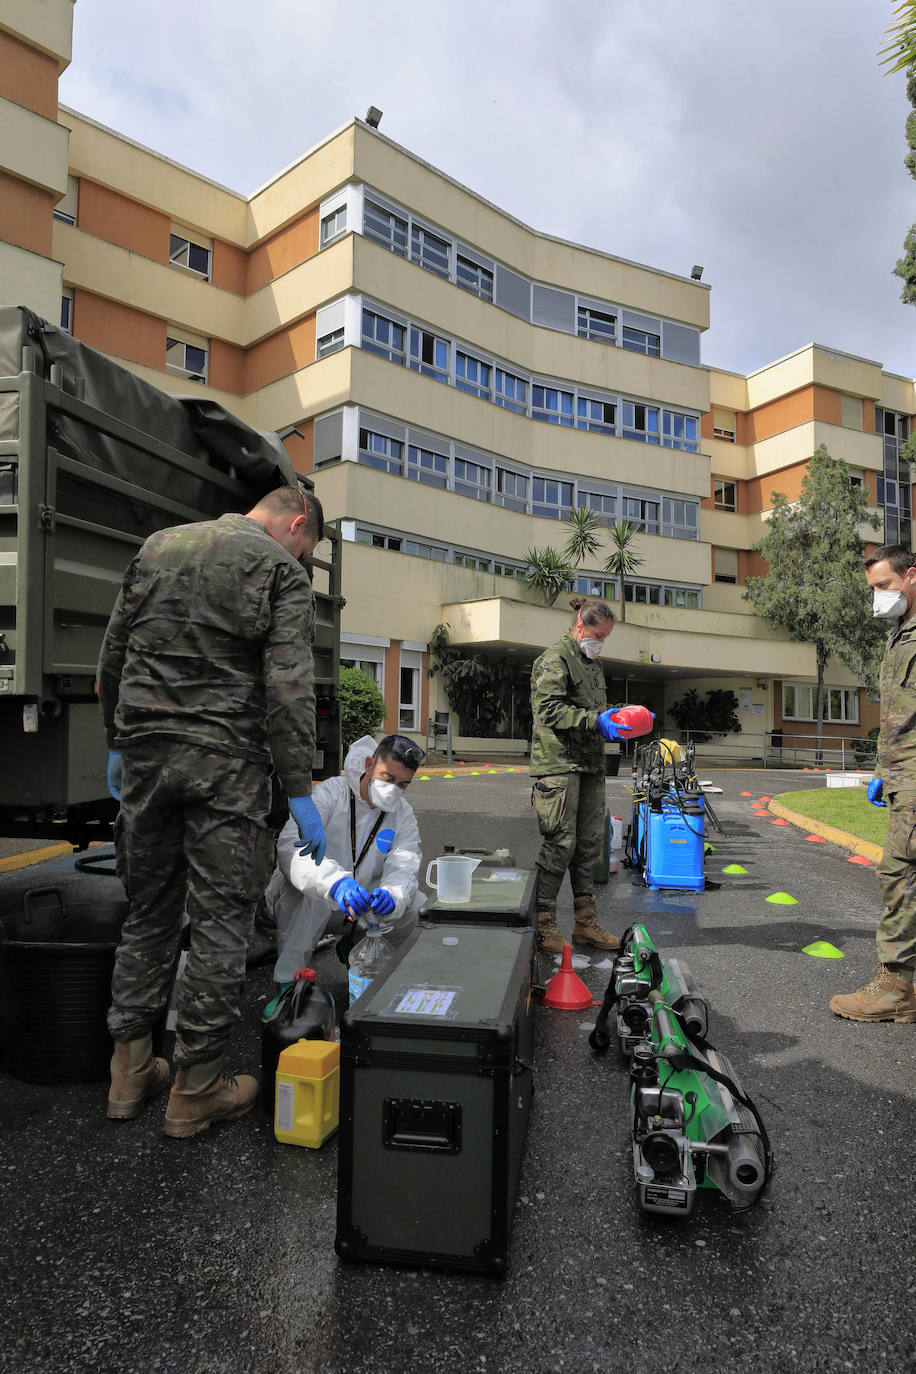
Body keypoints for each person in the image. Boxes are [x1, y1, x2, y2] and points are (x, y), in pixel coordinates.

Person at [98, 485, 329, 1136]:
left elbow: (113, 652)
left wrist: (117, 741)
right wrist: (302, 789)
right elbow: (289, 688)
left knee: (147, 915)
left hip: (146, 761)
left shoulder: (158, 546)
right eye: (306, 547)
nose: (303, 558)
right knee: (220, 925)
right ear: (296, 521)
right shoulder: (280, 571)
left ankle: (130, 1071)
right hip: (223, 768)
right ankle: (196, 1089)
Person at [264, 734, 426, 1004]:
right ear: (369, 763)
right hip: (322, 898)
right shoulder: (330, 793)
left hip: (361, 904)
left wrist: (393, 895)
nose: (394, 789)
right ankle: (289, 987)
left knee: (415, 906)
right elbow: (292, 851)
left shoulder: (401, 813)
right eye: (388, 778)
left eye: (403, 784)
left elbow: (405, 861)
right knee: (307, 894)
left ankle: (366, 953)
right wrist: (335, 884)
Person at [830, 543, 916, 1024]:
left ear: (911, 576)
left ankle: (895, 988)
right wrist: (886, 771)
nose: (877, 597)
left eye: (883, 586)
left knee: (900, 877)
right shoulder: (902, 633)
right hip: (905, 774)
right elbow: (901, 715)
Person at [529, 596, 641, 954]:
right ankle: (543, 924)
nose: (601, 641)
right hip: (559, 764)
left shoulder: (593, 664)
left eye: (606, 636)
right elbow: (548, 710)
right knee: (561, 844)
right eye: (597, 634)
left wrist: (616, 717)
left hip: (590, 764)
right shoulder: (554, 659)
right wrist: (596, 721)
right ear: (580, 626)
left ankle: (585, 923)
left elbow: (594, 711)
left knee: (591, 846)